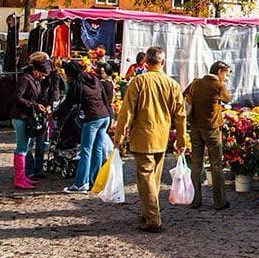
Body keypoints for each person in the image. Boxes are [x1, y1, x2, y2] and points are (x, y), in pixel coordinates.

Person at [114, 47, 187, 233]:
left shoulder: (138, 82)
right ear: (162, 62)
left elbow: (126, 112)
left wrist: (119, 136)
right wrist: (181, 139)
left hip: (142, 136)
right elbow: (180, 115)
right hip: (161, 137)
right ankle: (148, 211)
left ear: (146, 63)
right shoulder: (172, 84)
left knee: (146, 176)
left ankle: (153, 217)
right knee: (153, 177)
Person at [184, 60, 232, 210]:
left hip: (196, 127)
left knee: (196, 164)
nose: (226, 77)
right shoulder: (218, 85)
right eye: (226, 74)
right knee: (216, 164)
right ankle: (219, 201)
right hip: (211, 128)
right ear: (219, 71)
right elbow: (228, 98)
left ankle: (195, 199)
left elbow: (185, 94)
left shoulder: (196, 82)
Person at [63, 60, 111, 193]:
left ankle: (81, 184)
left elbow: (68, 103)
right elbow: (105, 99)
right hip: (104, 116)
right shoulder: (94, 79)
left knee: (86, 151)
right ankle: (94, 181)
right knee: (97, 150)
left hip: (92, 118)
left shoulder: (76, 84)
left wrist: (55, 114)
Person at [10, 59, 51, 190]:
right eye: (42, 74)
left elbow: (38, 97)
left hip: (27, 117)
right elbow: (17, 97)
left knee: (25, 146)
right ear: (36, 71)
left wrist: (44, 105)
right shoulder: (25, 79)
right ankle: (19, 178)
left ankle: (23, 177)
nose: (43, 77)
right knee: (22, 147)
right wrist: (34, 105)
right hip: (20, 117)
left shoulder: (36, 81)